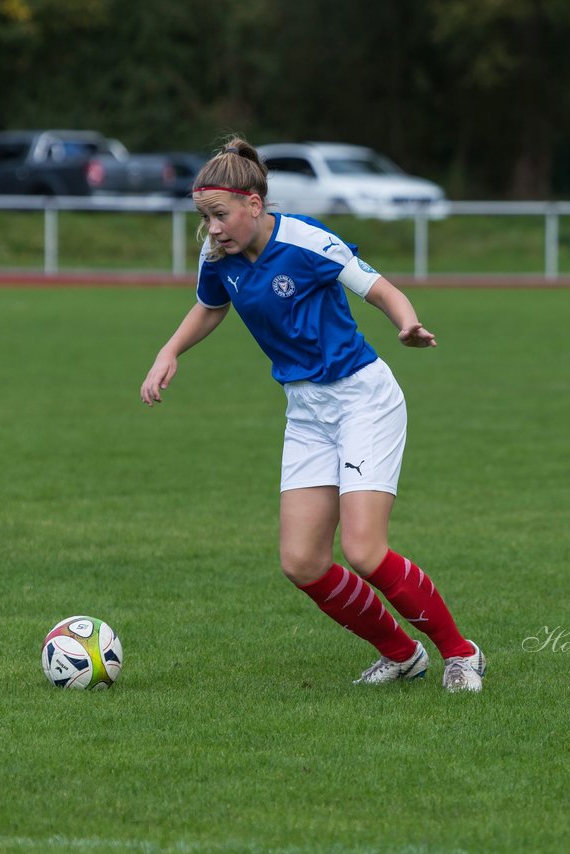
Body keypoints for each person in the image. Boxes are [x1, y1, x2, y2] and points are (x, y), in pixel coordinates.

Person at [140, 138, 485, 692]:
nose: (213, 229)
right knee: (302, 561)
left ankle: (461, 653)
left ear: (254, 203)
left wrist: (407, 323)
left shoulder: (306, 240)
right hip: (305, 409)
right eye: (204, 218)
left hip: (361, 398)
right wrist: (170, 351)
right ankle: (402, 655)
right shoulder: (218, 255)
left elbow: (376, 286)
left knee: (364, 550)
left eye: (220, 215)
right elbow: (210, 306)